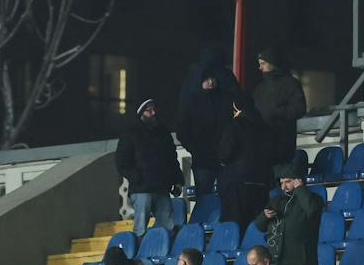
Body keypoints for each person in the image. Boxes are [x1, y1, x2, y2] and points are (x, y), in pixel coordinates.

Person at [251, 163, 322, 265]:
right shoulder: (277, 201)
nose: (284, 187)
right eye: (281, 182)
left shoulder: (312, 199)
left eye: (288, 182)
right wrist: (265, 216)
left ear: (298, 180)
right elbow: (259, 226)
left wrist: (300, 189)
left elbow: (312, 210)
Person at [115, 97, 182, 231]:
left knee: (168, 227)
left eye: (153, 109)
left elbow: (171, 159)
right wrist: (137, 177)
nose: (153, 113)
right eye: (148, 110)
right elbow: (121, 162)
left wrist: (177, 180)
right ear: (141, 113)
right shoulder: (130, 134)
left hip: (162, 188)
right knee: (141, 228)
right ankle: (139, 251)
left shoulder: (163, 133)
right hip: (142, 190)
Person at [217, 93, 275, 228]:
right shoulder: (265, 128)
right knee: (257, 226)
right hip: (261, 182)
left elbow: (224, 154)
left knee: (235, 226)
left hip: (238, 183)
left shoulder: (234, 126)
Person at [177, 59, 234, 194]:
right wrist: (195, 150)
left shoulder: (225, 100)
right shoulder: (191, 102)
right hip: (203, 160)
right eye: (206, 79)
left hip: (225, 159)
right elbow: (182, 130)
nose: (210, 82)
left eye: (212, 79)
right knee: (204, 197)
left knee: (227, 197)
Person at [252, 49, 306, 165]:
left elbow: (300, 108)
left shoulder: (291, 83)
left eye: (263, 63)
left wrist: (276, 112)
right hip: (261, 146)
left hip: (282, 144)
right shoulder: (259, 89)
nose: (260, 68)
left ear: (273, 63)